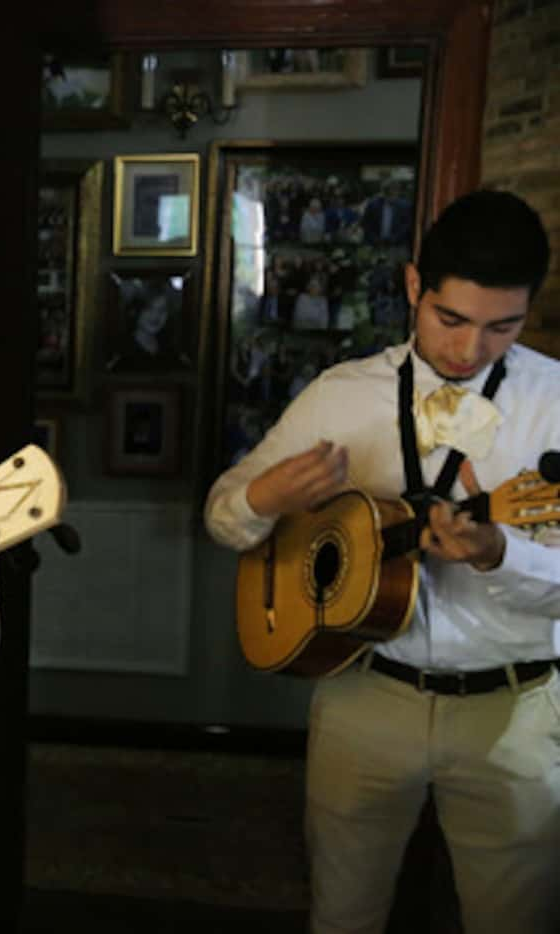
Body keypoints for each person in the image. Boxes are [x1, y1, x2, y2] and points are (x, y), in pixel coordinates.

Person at [204, 189, 560, 934]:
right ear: (411, 287)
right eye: (450, 320)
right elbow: (225, 517)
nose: (469, 351)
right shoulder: (341, 393)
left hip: (515, 711)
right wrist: (264, 497)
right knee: (343, 911)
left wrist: (503, 553)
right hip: (363, 695)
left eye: (503, 327)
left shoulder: (557, 403)